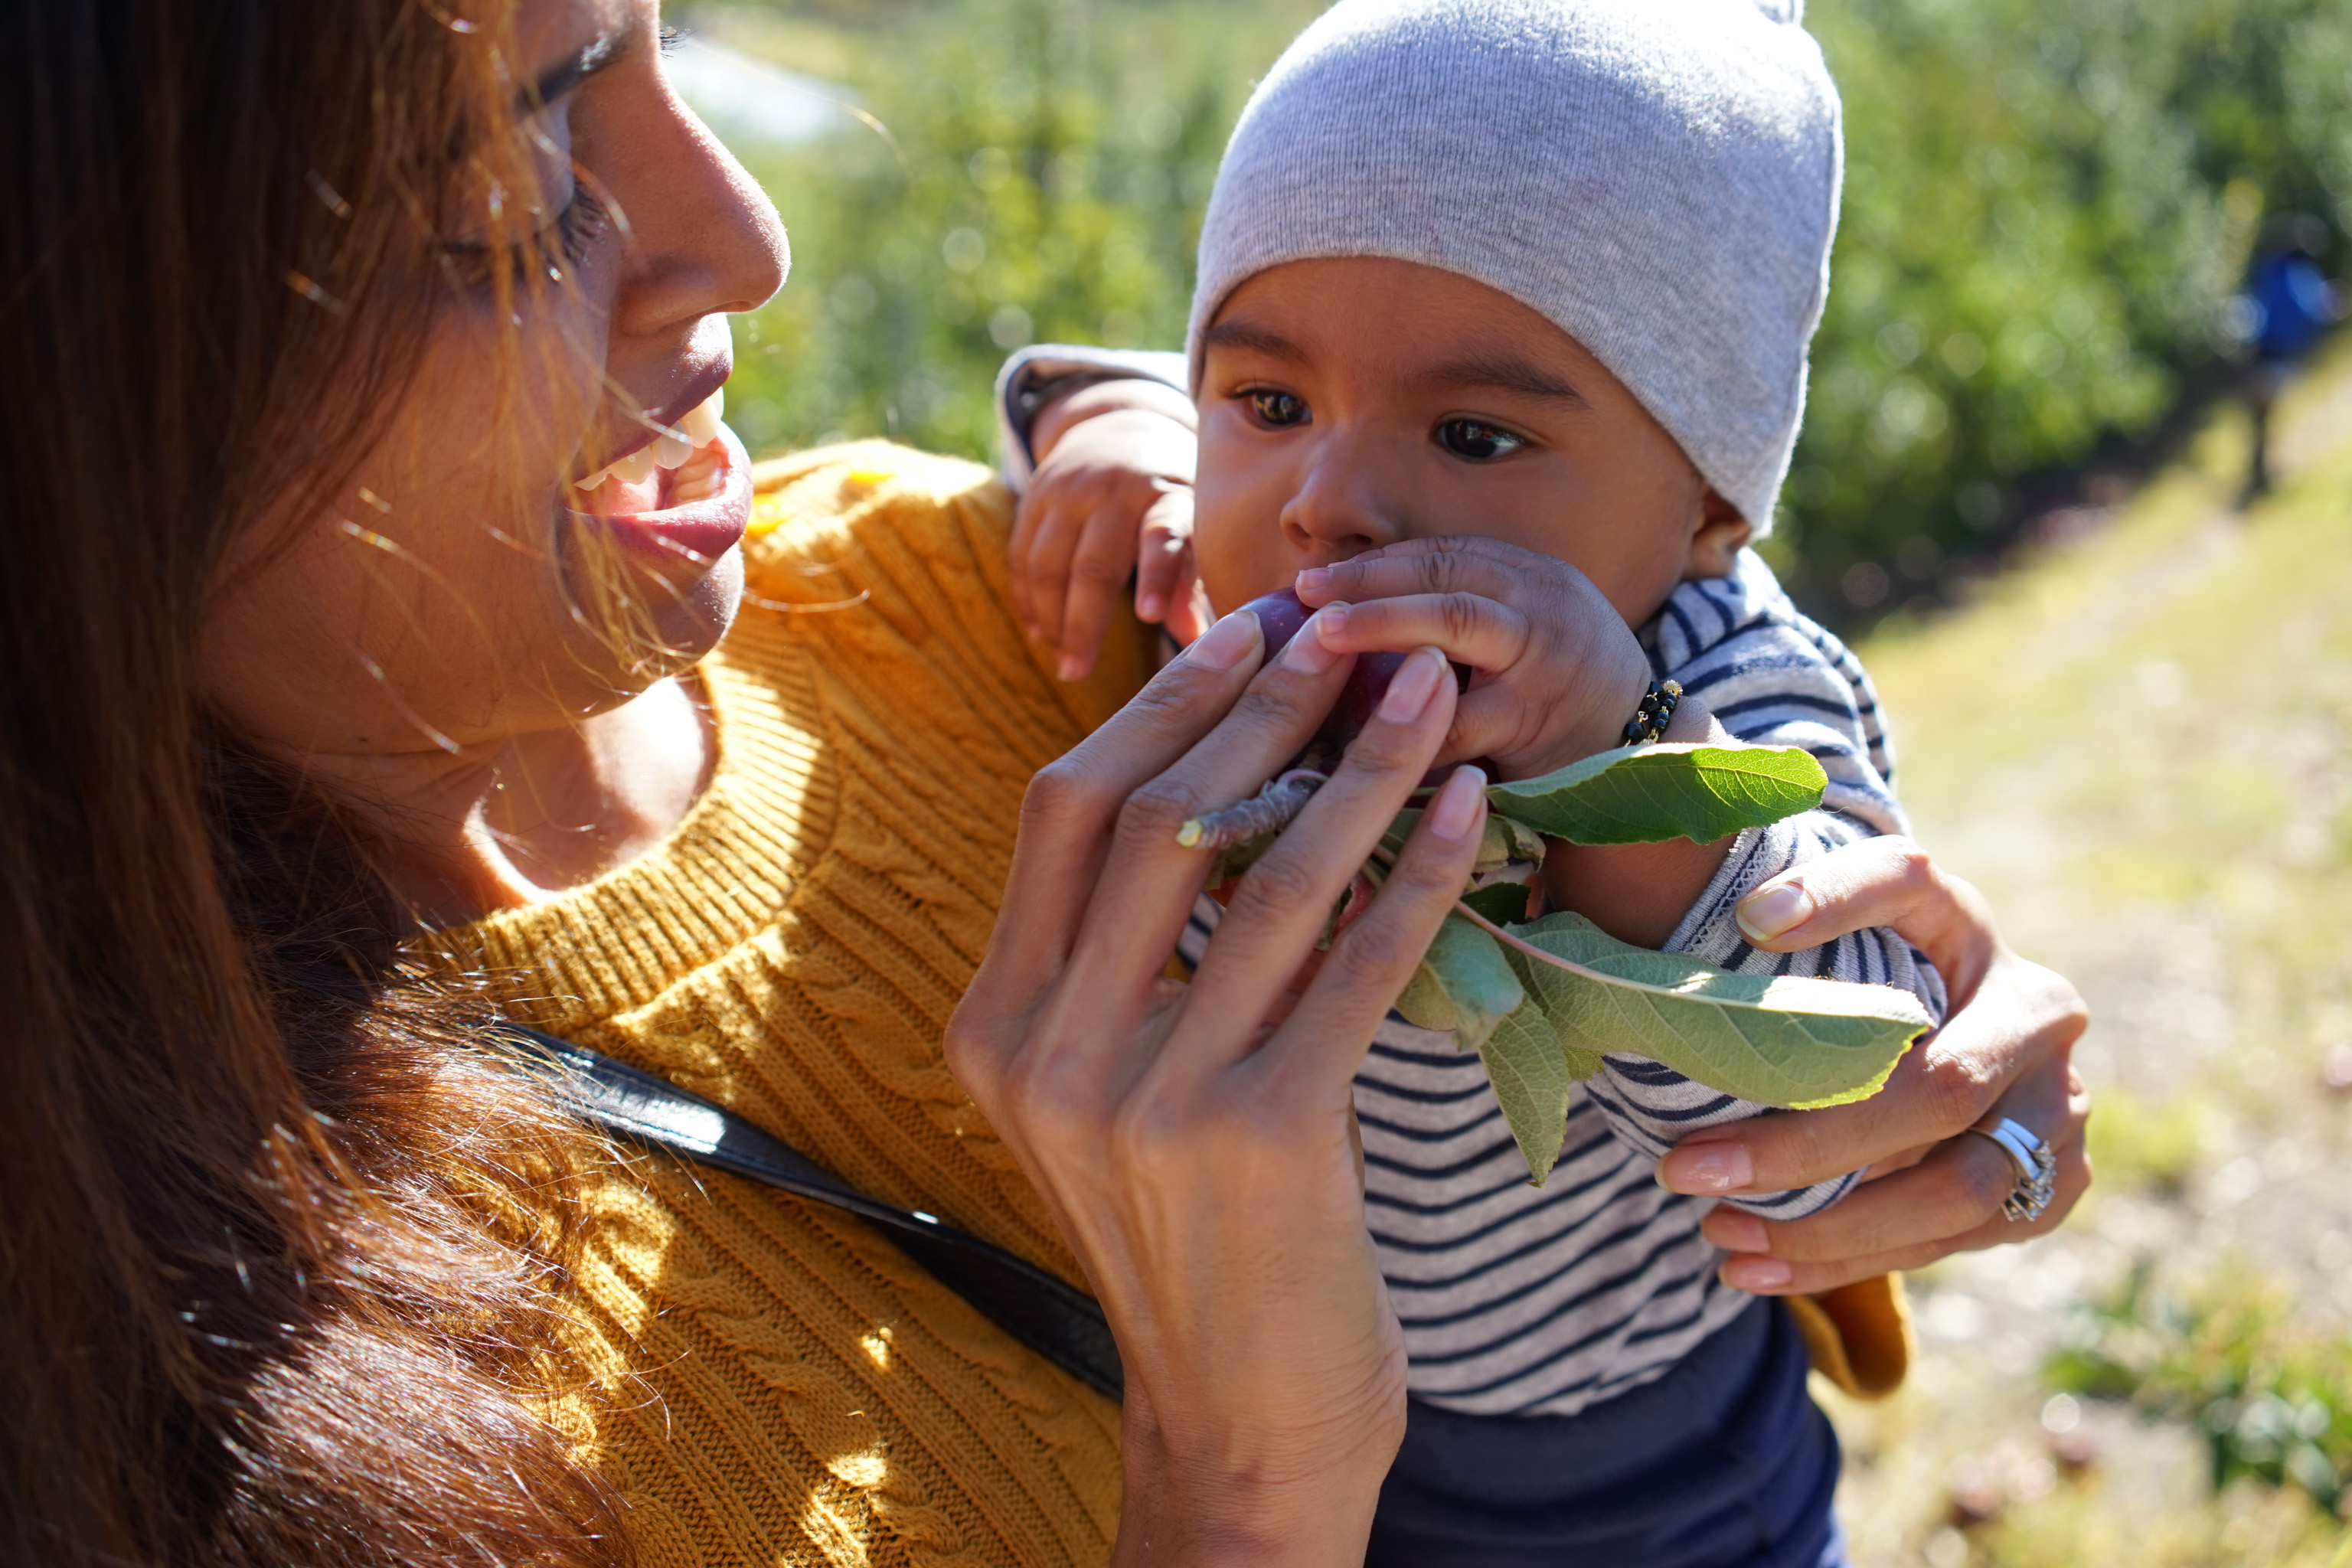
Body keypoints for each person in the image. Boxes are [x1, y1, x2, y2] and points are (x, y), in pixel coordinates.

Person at [1, 0, 2089, 1563]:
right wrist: (1245, 1494)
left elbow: (1827, 1057)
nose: (748, 237)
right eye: (507, 196)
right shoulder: (164, 1335)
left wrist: (1684, 851)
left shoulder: (1003, 611)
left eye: (664, 53)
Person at [992, 2, 2035, 1560]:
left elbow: (1844, 1073)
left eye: (1474, 436)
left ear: (1710, 509)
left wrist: (1614, 757)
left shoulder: (1728, 684)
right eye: (1269, 405)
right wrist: (1101, 428)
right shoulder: (1218, 603)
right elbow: (1112, 394)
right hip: (1273, 1426)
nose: (1330, 500)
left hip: (1640, 1477)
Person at [2239, 213, 2344, 502]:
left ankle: (2260, 471)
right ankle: (2263, 473)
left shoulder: (2269, 269)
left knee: (2262, 418)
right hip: (2277, 357)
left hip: (2260, 354)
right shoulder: (2297, 274)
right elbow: (2311, 307)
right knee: (2269, 414)